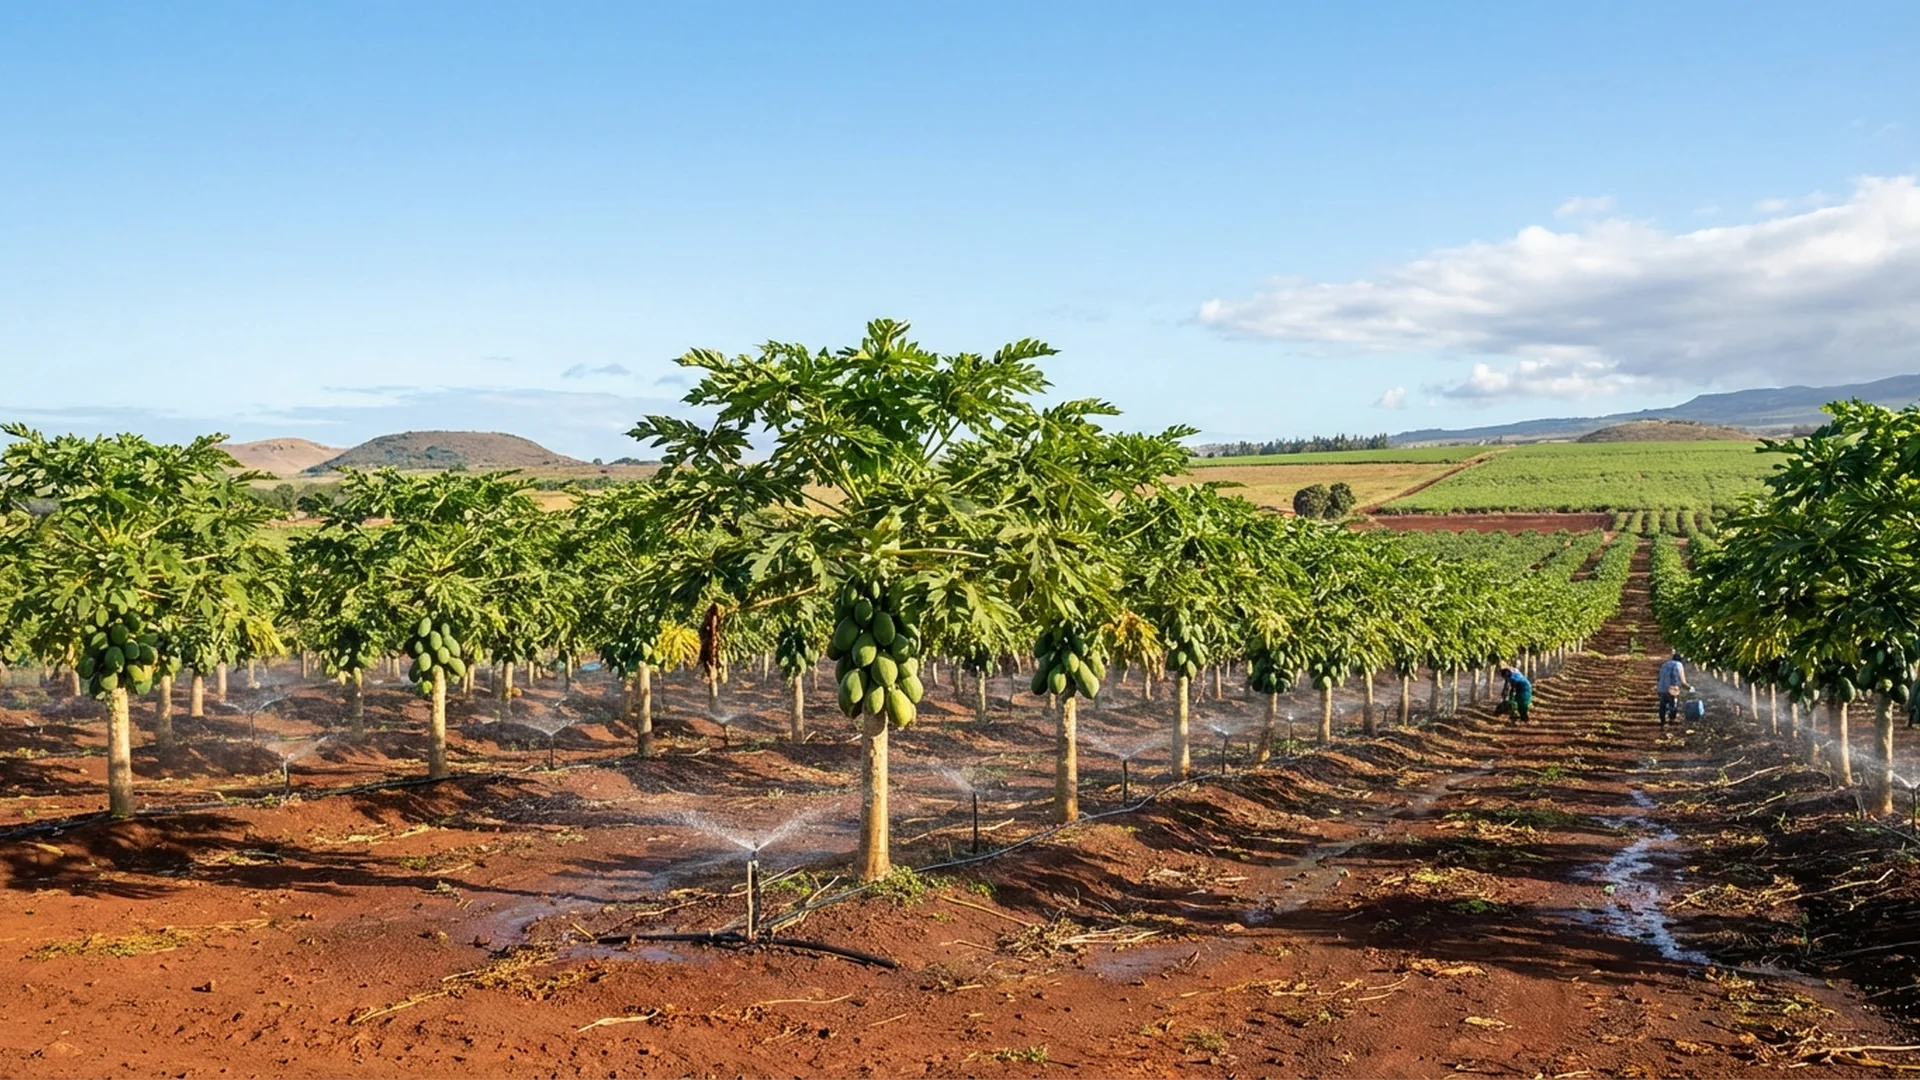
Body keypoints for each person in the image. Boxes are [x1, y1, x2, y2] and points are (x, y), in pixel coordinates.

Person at [1657, 651, 1686, 726]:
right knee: (1673, 703)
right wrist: (1689, 688)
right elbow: (1683, 681)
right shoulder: (1678, 664)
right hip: (1672, 688)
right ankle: (1671, 720)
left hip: (1661, 687)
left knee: (1663, 704)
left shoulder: (1665, 664)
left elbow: (1659, 677)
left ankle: (1662, 719)